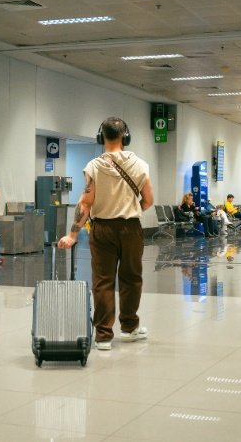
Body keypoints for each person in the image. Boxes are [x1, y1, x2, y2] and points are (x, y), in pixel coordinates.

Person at [58, 117, 154, 352]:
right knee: (131, 278)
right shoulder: (140, 165)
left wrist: (72, 235)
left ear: (101, 137)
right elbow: (149, 201)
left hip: (102, 229)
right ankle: (130, 328)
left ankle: (103, 336)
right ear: (126, 137)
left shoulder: (93, 166)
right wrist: (130, 210)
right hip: (131, 229)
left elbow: (85, 203)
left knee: (103, 281)